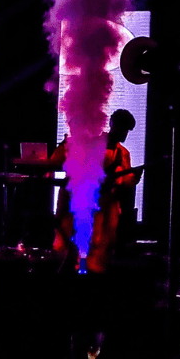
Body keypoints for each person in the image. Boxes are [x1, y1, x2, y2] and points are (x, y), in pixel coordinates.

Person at [50, 108, 142, 272]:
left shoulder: (123, 153)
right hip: (86, 205)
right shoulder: (93, 144)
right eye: (121, 127)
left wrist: (134, 177)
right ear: (112, 124)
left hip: (108, 207)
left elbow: (124, 181)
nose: (123, 133)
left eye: (126, 130)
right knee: (79, 246)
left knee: (103, 248)